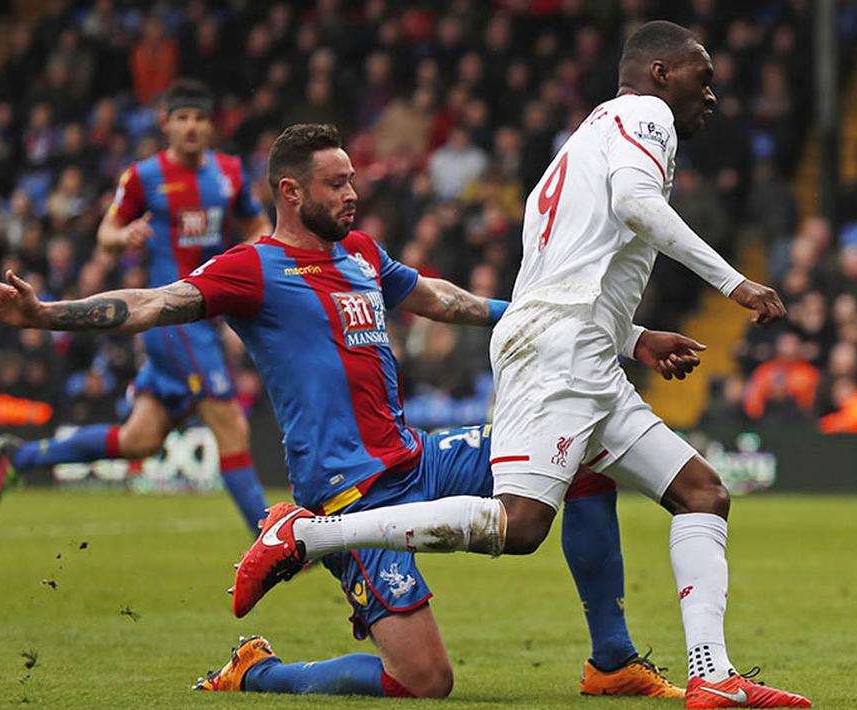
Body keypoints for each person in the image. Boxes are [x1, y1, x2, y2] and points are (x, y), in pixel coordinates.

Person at [0, 123, 702, 699]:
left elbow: (443, 299)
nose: (353, 192)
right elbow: (152, 303)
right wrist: (47, 314)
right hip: (349, 493)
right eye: (337, 182)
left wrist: (613, 333)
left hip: (416, 459)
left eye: (352, 178)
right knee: (426, 681)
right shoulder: (251, 268)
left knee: (579, 452)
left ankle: (611, 662)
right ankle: (257, 671)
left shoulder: (359, 253)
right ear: (291, 192)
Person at [229, 22, 811, 709]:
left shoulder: (583, 144)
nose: (710, 94)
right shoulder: (647, 118)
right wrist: (732, 283)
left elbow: (564, 278)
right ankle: (305, 533)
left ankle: (708, 675)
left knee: (701, 493)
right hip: (562, 351)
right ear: (660, 74)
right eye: (701, 77)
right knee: (521, 525)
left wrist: (629, 338)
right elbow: (635, 205)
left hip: (576, 344)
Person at [0, 80, 272, 534]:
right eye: (182, 118)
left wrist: (253, 254)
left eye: (199, 118)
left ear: (210, 125)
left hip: (208, 316)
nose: (191, 127)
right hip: (172, 319)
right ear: (166, 124)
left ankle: (21, 456)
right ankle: (271, 539)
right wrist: (125, 236)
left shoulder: (229, 173)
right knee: (231, 423)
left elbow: (259, 224)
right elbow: (106, 234)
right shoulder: (144, 177)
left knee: (141, 440)